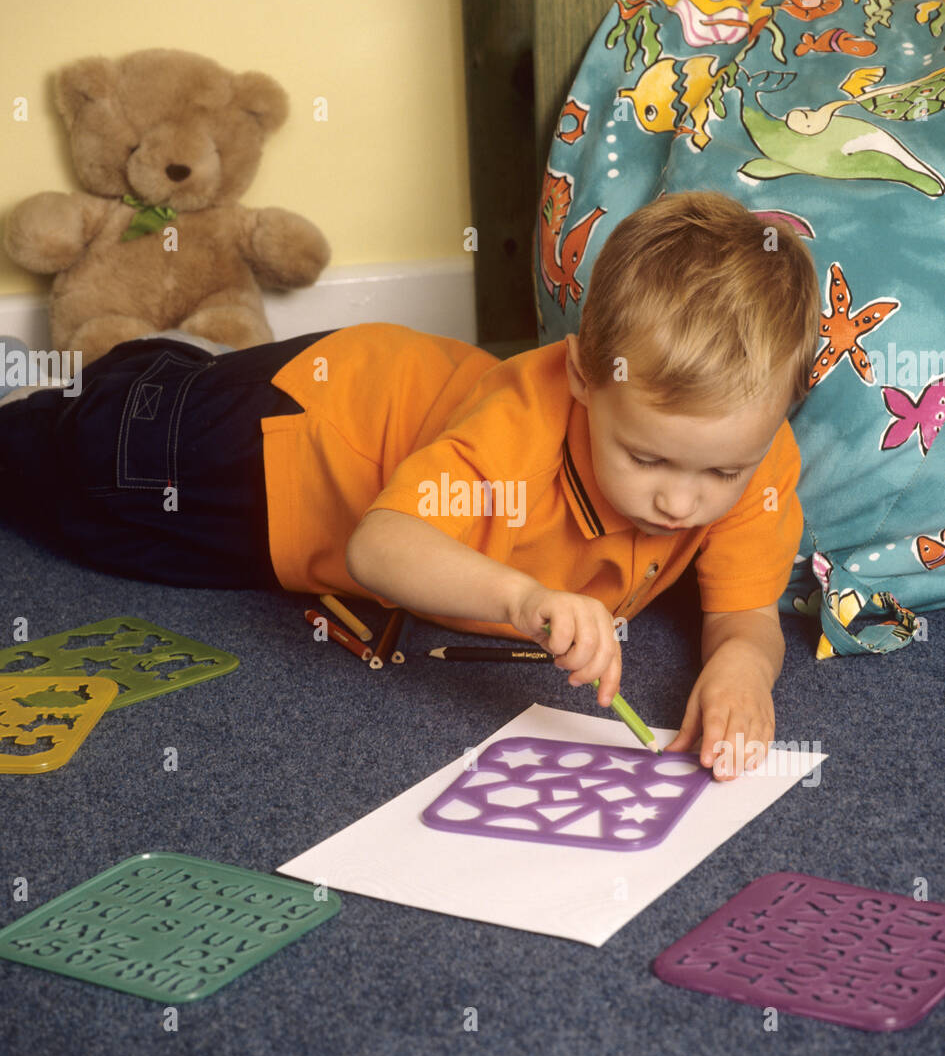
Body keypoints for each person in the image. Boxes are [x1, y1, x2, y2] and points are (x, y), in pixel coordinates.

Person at [0, 191, 821, 777]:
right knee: (83, 482)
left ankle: (145, 366)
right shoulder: (518, 428)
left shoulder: (755, 454)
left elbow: (743, 610)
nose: (682, 502)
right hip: (273, 439)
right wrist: (524, 601)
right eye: (646, 460)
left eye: (719, 472)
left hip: (349, 399)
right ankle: (57, 393)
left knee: (143, 400)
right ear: (579, 377)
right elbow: (380, 545)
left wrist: (741, 671)